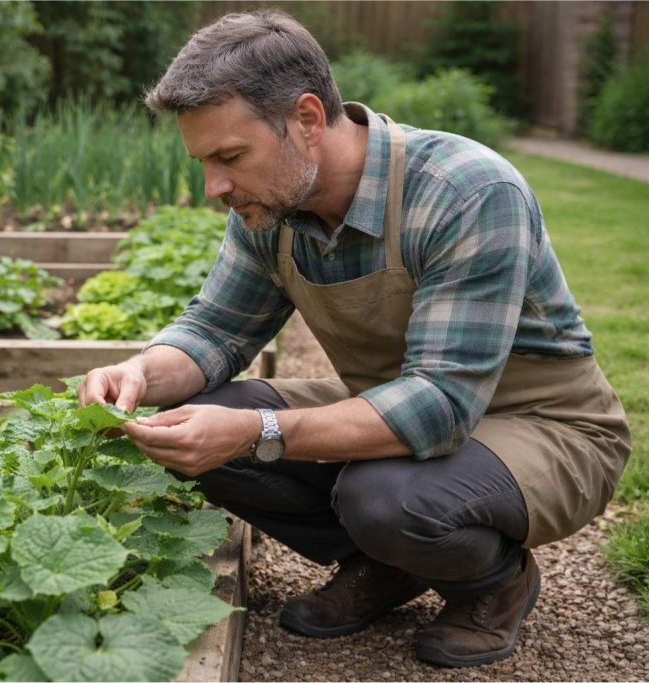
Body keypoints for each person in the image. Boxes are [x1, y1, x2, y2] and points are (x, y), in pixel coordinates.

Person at [76, 8, 631, 669]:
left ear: (307, 120)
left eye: (229, 157)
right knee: (196, 426)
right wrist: (138, 374)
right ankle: (388, 564)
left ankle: (493, 581)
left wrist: (259, 429)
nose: (214, 187)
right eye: (204, 162)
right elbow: (213, 330)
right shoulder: (270, 206)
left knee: (385, 497)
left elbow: (441, 404)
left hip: (544, 424)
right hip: (394, 405)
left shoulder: (465, 190)